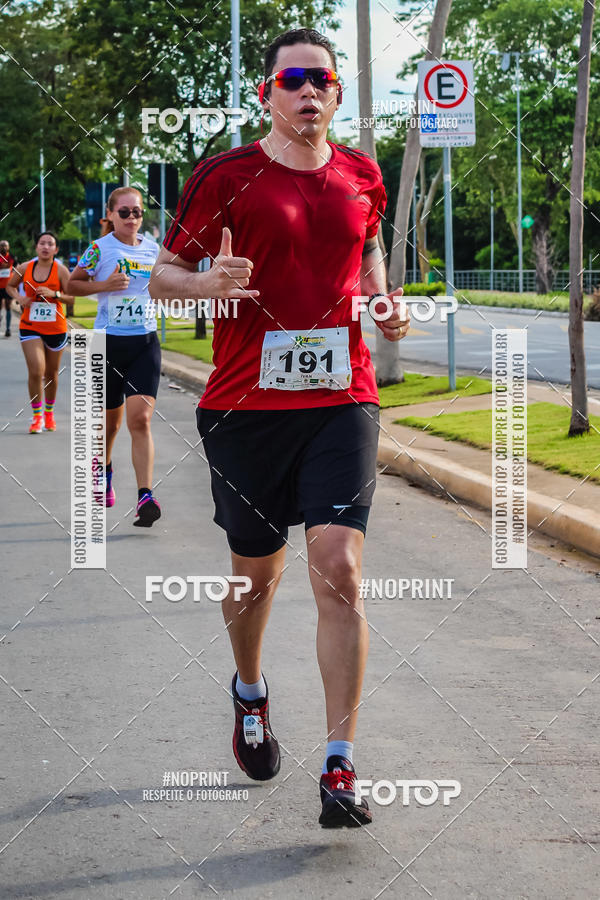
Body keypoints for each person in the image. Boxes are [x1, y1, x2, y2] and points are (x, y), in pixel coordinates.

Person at [149, 27, 410, 827]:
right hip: (244, 406)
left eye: (322, 81)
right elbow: (162, 280)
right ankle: (250, 690)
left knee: (338, 566)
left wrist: (383, 302)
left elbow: (367, 258)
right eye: (292, 79)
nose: (308, 92)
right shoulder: (226, 177)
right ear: (267, 91)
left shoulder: (364, 176)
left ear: (337, 94)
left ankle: (339, 765)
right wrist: (203, 282)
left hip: (342, 398)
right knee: (256, 577)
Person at [67, 187, 162, 527]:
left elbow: (170, 282)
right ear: (110, 215)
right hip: (107, 343)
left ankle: (145, 495)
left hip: (145, 342)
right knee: (111, 422)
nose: (132, 218)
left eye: (136, 211)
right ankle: (104, 469)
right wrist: (104, 286)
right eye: (124, 212)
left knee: (141, 419)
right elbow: (73, 286)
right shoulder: (98, 250)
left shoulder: (154, 250)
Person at [8, 233, 73, 433]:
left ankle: (49, 413)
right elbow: (10, 286)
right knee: (37, 370)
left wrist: (55, 294)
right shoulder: (25, 268)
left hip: (56, 328)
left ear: (56, 249)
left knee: (51, 374)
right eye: (42, 243)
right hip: (30, 325)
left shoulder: (61, 271)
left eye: (50, 244)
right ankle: (37, 417)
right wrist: (20, 298)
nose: (45, 247)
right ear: (36, 247)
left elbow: (72, 298)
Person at [0, 240, 17, 337]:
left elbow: (14, 267)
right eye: (2, 246)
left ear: (8, 247)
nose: (3, 248)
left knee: (8, 307)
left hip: (8, 286)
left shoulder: (12, 257)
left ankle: (8, 329)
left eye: (5, 246)